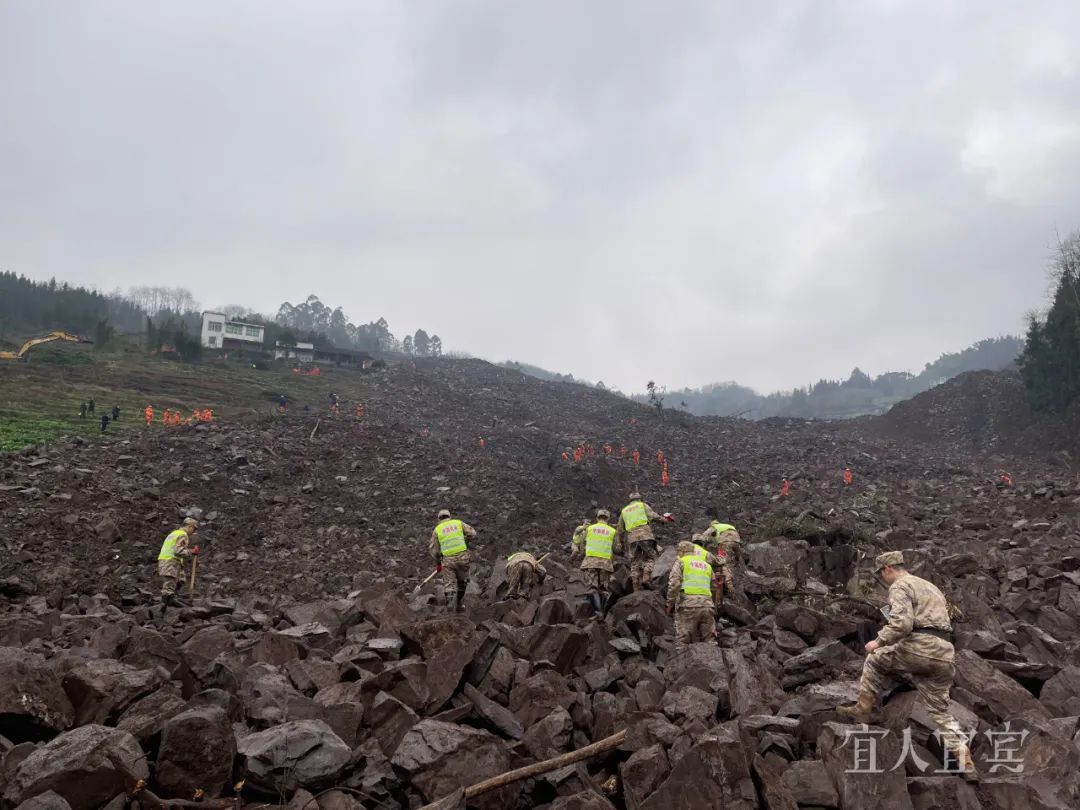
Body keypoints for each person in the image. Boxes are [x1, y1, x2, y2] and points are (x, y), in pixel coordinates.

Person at [838, 551, 976, 780]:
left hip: (920, 647)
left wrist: (878, 641)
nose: (883, 579)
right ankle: (966, 761)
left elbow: (902, 624)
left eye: (882, 574)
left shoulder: (900, 586)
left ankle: (864, 709)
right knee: (940, 712)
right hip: (944, 653)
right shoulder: (931, 587)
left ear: (888, 568)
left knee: (875, 658)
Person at [666, 540, 724, 648]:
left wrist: (670, 603)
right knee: (710, 640)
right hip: (707, 606)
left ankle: (682, 658)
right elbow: (714, 587)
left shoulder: (681, 562)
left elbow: (674, 584)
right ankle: (714, 657)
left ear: (682, 551)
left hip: (688, 605)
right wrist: (713, 607)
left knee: (683, 641)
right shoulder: (706, 565)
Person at [617, 491, 671, 590]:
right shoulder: (642, 505)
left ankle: (636, 587)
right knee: (652, 556)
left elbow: (620, 529)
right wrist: (664, 520)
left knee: (635, 562)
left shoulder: (624, 511)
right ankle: (646, 577)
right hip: (645, 535)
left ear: (630, 500)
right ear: (639, 499)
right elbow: (653, 516)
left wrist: (620, 543)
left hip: (632, 538)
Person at [571, 508, 620, 616]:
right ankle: (603, 613)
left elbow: (579, 541)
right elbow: (617, 549)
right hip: (605, 564)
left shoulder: (589, 529)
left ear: (597, 518)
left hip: (591, 562)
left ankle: (597, 612)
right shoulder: (612, 531)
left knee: (592, 587)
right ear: (608, 518)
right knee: (603, 588)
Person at [429, 509, 477, 611]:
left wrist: (438, 563)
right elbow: (473, 533)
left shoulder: (437, 530)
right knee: (462, 582)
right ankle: (459, 603)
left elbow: (434, 550)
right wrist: (465, 540)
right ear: (449, 516)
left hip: (448, 561)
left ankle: (450, 608)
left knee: (449, 585)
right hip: (463, 558)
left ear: (439, 519)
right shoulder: (458, 523)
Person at [157, 518, 199, 612]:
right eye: (194, 529)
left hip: (170, 560)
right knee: (170, 581)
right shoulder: (183, 535)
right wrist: (192, 552)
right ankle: (166, 602)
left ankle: (174, 597)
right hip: (170, 561)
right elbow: (178, 551)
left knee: (181, 579)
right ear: (189, 526)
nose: (194, 531)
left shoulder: (174, 533)